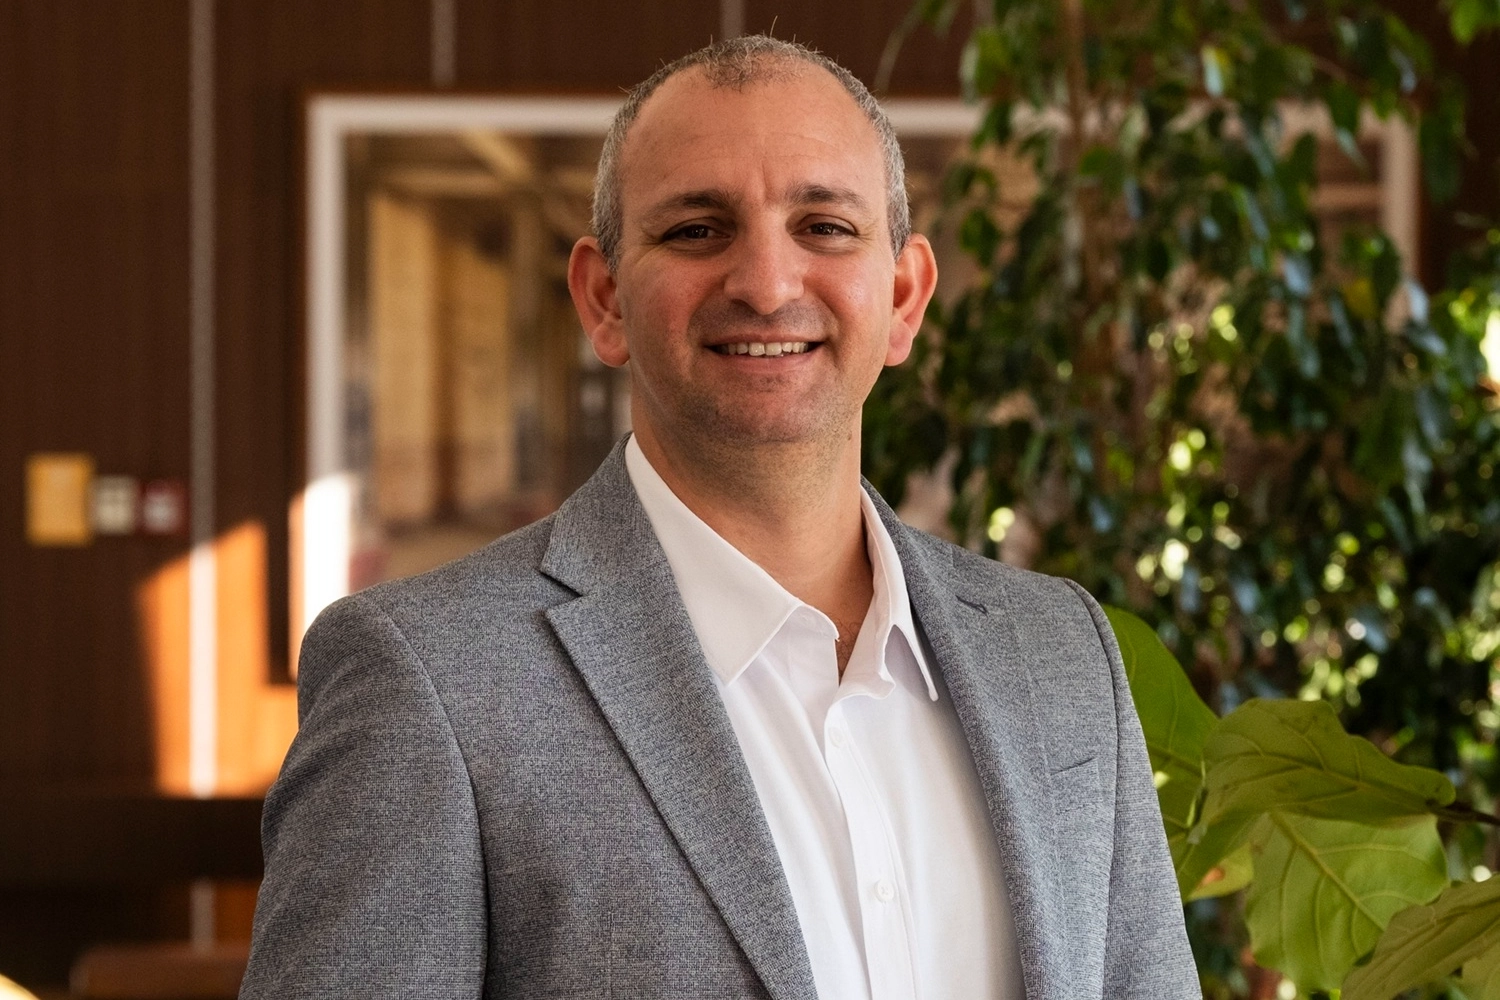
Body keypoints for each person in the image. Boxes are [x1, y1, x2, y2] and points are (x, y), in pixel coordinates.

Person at [241, 35, 1198, 1000]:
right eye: (699, 230)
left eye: (825, 226)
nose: (767, 285)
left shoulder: (1061, 654)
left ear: (904, 297)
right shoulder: (429, 682)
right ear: (605, 299)